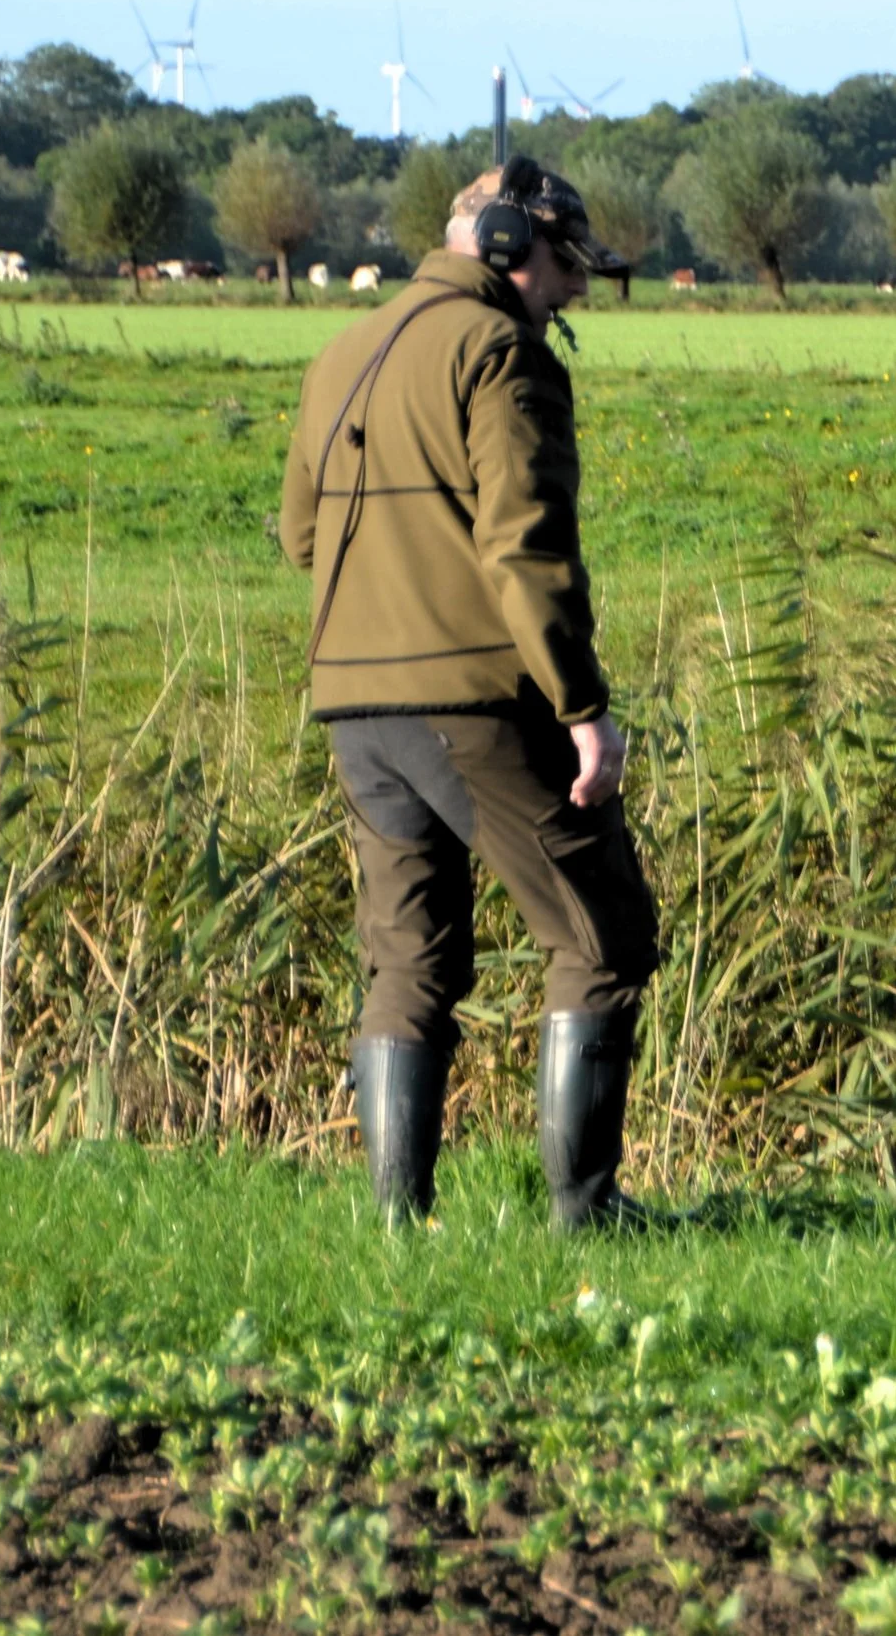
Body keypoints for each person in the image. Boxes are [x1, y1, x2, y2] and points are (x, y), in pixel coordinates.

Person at [278, 157, 666, 1231]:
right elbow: (525, 546)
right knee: (601, 935)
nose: (572, 287)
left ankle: (398, 1228)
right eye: (563, 262)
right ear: (502, 243)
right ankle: (586, 1214)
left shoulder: (341, 353)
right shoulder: (501, 355)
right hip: (478, 701)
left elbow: (302, 537)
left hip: (353, 707)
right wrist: (582, 708)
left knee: (409, 956)